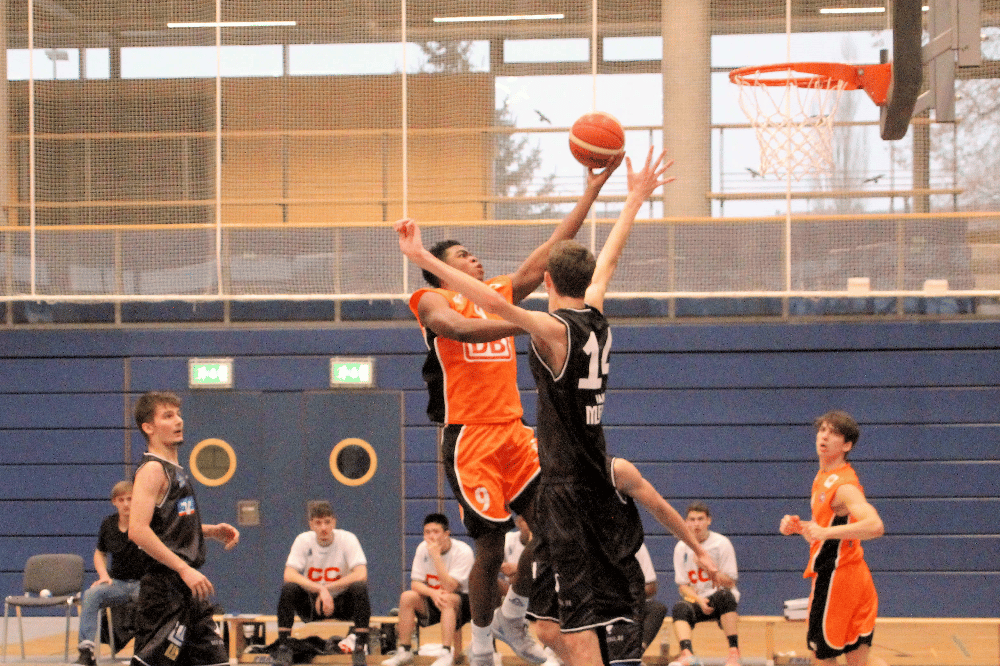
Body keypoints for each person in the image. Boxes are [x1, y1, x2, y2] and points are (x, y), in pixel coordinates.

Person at [397, 146, 675, 666]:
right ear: (442, 270)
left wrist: (592, 190)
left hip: (514, 431)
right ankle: (480, 645)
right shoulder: (431, 299)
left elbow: (555, 249)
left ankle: (513, 614)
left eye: (474, 255)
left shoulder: (501, 288)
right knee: (488, 545)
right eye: (463, 257)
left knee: (547, 530)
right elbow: (455, 329)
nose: (475, 260)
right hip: (469, 436)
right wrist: (533, 323)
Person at [532, 455, 716, 666]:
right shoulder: (551, 478)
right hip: (581, 585)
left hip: (618, 585)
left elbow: (659, 507)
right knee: (547, 632)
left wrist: (699, 550)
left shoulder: (616, 470)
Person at [128, 391, 240, 666]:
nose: (178, 420)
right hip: (165, 594)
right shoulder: (153, 470)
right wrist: (184, 568)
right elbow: (138, 531)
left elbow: (166, 526)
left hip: (189, 593)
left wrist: (209, 531)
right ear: (149, 427)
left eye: (178, 414)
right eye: (168, 416)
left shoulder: (175, 469)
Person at [779, 410, 885, 666]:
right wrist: (802, 528)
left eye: (834, 432)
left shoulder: (844, 486)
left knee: (822, 657)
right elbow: (827, 533)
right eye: (822, 429)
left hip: (836, 579)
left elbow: (875, 526)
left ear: (846, 445)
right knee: (859, 659)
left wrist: (825, 532)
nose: (824, 435)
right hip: (855, 575)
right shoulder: (822, 477)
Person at [274, 501, 372, 666]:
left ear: (334, 522)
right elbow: (288, 574)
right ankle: (284, 646)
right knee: (289, 588)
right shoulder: (303, 540)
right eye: (318, 523)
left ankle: (360, 646)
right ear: (311, 524)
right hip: (313, 605)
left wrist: (327, 589)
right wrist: (320, 590)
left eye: (327, 522)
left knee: (360, 587)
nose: (323, 527)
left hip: (342, 603)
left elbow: (361, 574)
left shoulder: (348, 539)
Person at [382, 513, 475, 666]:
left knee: (447, 598)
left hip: (462, 604)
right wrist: (432, 593)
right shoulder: (422, 549)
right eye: (427, 532)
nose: (431, 536)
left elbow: (450, 587)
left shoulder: (463, 551)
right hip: (435, 598)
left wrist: (436, 557)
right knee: (407, 597)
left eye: (436, 531)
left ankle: (446, 652)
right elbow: (415, 584)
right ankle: (404, 651)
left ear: (446, 534)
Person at [75, 481, 150, 666]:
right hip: (118, 584)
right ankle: (86, 652)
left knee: (154, 600)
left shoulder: (147, 521)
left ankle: (145, 653)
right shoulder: (108, 524)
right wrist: (103, 576)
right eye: (121, 499)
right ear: (114, 502)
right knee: (92, 594)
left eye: (130, 499)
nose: (126, 504)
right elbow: (100, 552)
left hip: (144, 584)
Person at [669, 503, 741, 666]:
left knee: (726, 596)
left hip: (719, 598)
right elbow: (683, 587)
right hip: (698, 600)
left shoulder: (721, 544)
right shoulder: (681, 547)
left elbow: (730, 582)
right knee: (680, 607)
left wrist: (709, 569)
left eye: (700, 519)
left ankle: (733, 652)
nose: (696, 524)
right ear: (686, 522)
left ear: (708, 520)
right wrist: (699, 600)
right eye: (692, 520)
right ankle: (687, 653)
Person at [634, 543, 668, 654]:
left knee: (657, 608)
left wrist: (626, 596)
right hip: (600, 604)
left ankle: (638, 652)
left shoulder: (636, 544)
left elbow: (651, 587)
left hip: (628, 601)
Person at [499, 515, 531, 597]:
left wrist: (518, 568)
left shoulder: (544, 543)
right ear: (518, 523)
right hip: (510, 589)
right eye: (526, 521)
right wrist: (502, 567)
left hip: (534, 588)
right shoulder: (509, 538)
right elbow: (490, 564)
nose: (530, 526)